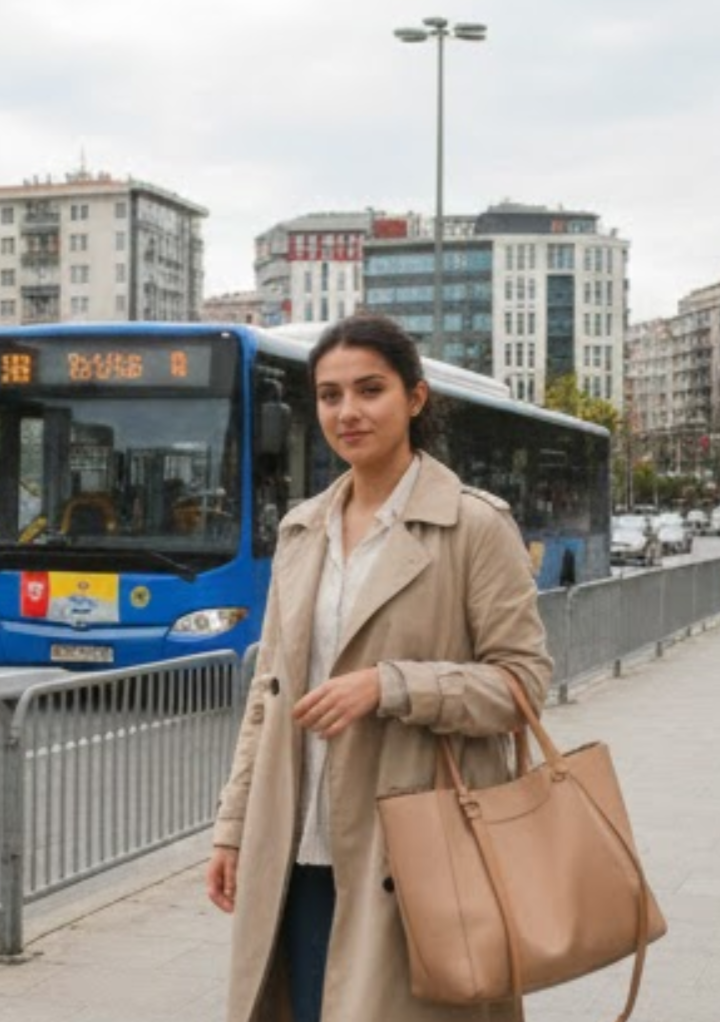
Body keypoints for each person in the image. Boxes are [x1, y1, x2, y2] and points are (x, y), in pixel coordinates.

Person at [205, 313, 553, 1022]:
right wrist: (232, 827)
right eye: (329, 395)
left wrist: (390, 685)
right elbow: (268, 695)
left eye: (370, 390)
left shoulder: (474, 525)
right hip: (296, 849)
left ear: (414, 398)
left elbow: (522, 685)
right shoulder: (302, 529)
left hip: (415, 853)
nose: (348, 412)